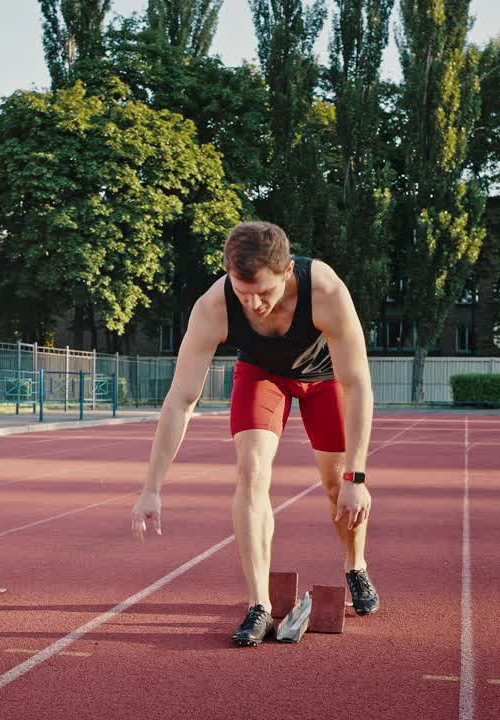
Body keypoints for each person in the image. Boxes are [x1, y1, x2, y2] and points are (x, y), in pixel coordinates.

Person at [131, 221, 378, 646]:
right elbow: (180, 400)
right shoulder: (214, 305)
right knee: (250, 471)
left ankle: (356, 566)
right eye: (244, 295)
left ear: (286, 273)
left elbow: (358, 385)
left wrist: (358, 476)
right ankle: (258, 604)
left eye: (263, 293)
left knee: (337, 486)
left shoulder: (326, 291)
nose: (254, 304)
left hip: (326, 380)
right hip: (262, 375)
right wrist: (151, 486)